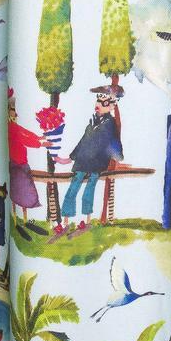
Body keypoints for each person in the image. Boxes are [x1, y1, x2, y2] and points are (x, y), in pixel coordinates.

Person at [55, 84, 123, 234]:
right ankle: (66, 220)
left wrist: (117, 155)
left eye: (104, 102)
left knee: (89, 188)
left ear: (111, 106)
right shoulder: (92, 122)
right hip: (83, 160)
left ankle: (87, 220)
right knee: (73, 187)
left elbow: (113, 142)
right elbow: (83, 141)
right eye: (98, 101)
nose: (98, 105)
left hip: (97, 162)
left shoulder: (109, 124)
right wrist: (70, 158)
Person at [6, 89, 47, 236]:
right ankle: (17, 222)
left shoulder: (14, 126)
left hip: (21, 163)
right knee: (19, 192)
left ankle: (23, 221)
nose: (15, 114)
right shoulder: (11, 127)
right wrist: (40, 144)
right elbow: (25, 139)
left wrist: (38, 138)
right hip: (17, 164)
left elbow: (26, 133)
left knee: (22, 193)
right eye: (12, 111)